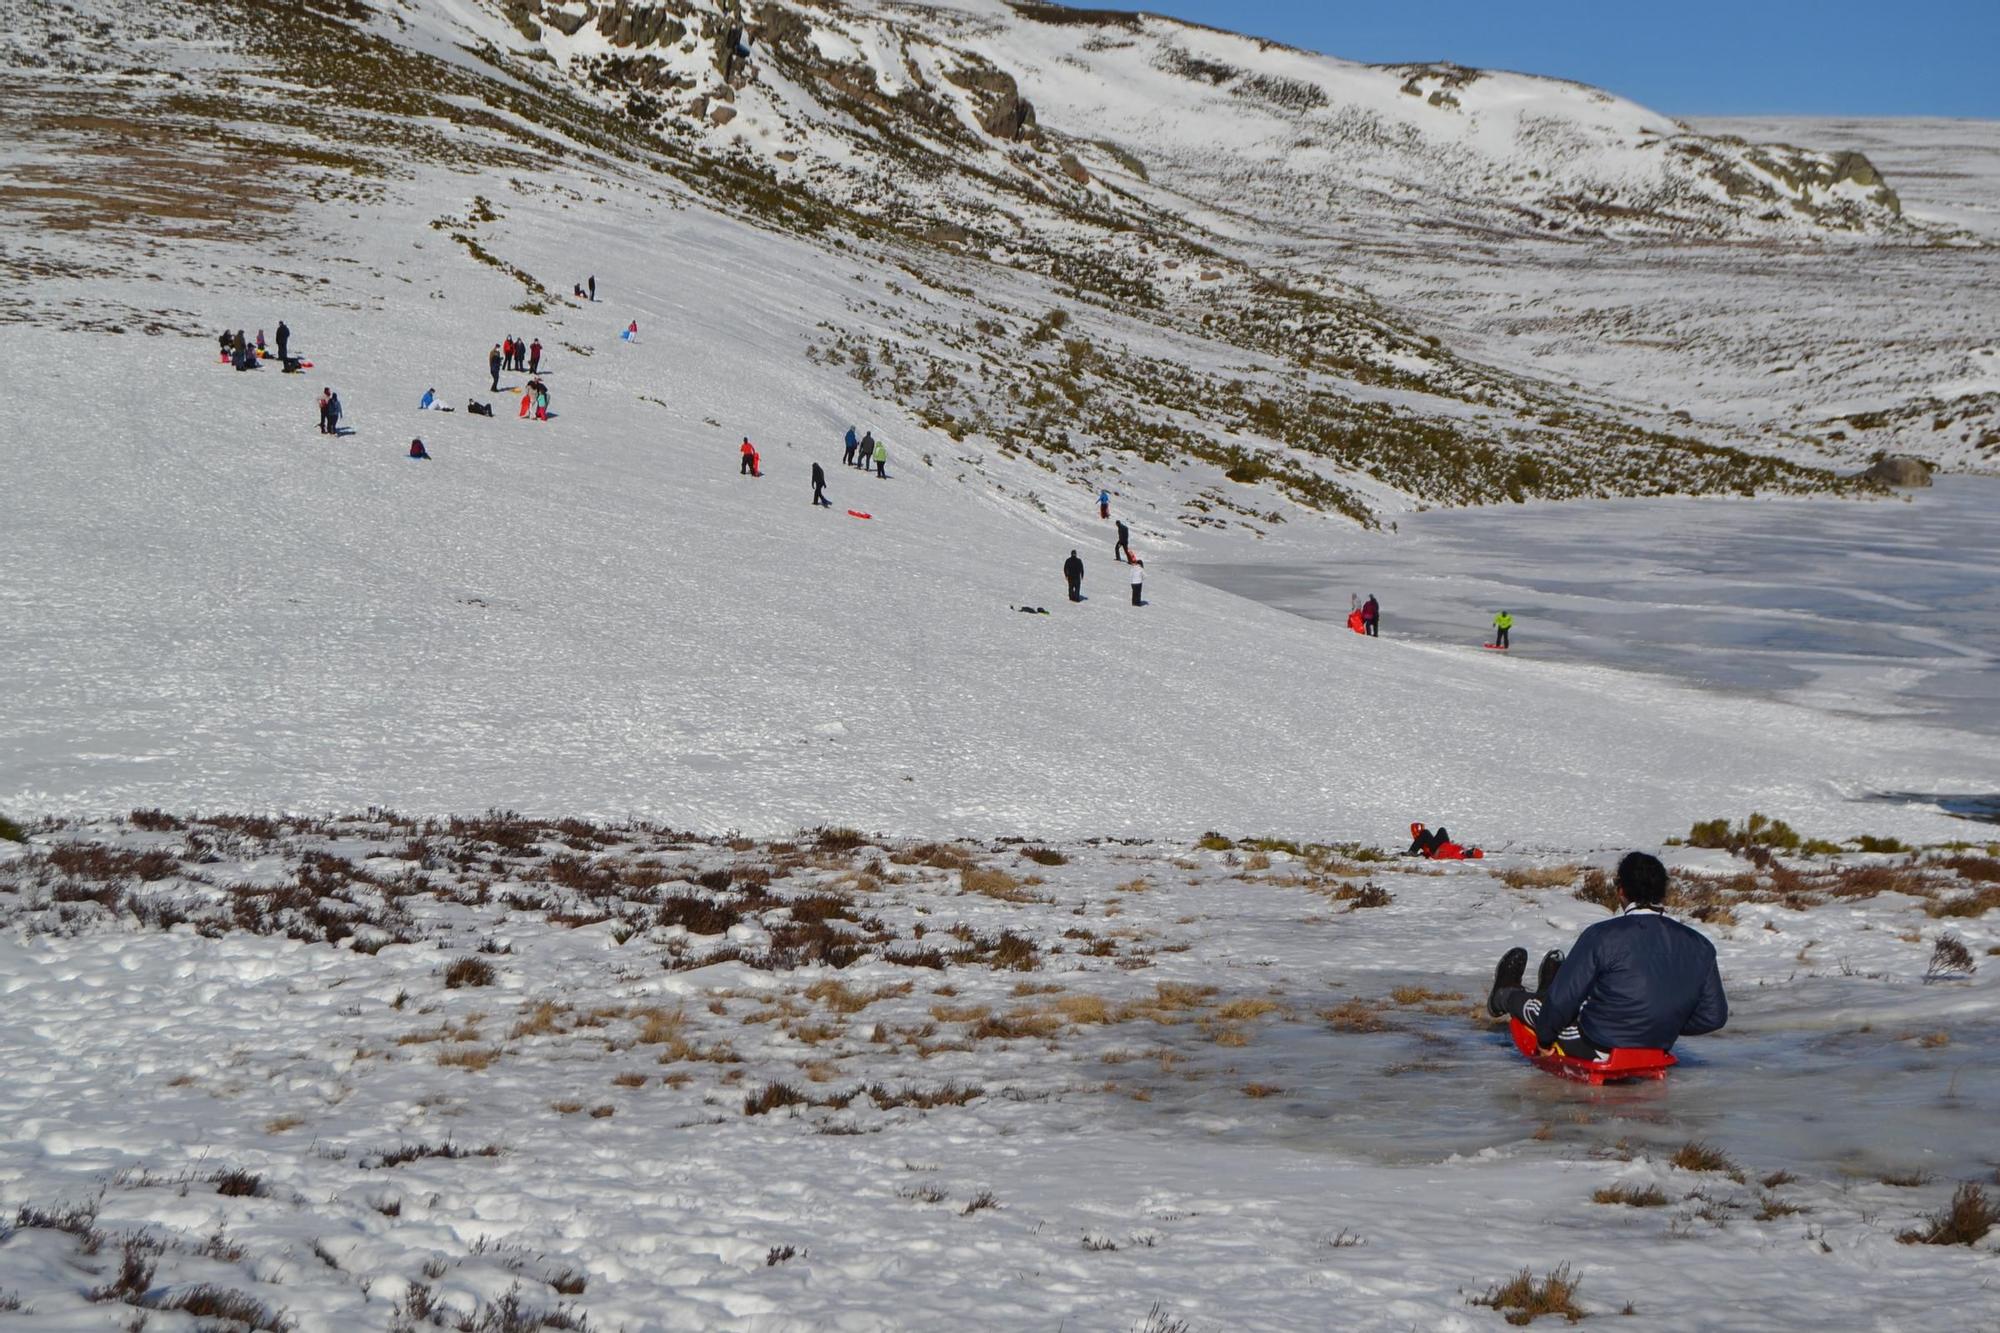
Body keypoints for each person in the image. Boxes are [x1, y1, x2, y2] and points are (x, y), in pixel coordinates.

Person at [1487, 852, 1728, 1061]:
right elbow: (1713, 1016)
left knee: (1543, 1009)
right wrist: (1664, 1025)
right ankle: (1548, 988)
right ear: (1662, 893)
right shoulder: (1701, 946)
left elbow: (1561, 1002)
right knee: (1573, 1000)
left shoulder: (1603, 936)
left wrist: (1545, 1041)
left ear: (1621, 891)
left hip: (1599, 1044)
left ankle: (1504, 995)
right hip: (1658, 1045)